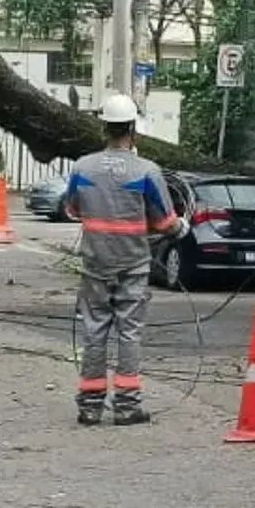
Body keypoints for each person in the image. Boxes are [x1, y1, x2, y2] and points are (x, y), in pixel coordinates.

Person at [63, 96, 179, 426]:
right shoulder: (147, 171)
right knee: (129, 333)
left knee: (94, 331)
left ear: (105, 127)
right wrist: (181, 227)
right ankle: (127, 407)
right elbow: (165, 222)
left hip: (95, 264)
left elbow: (72, 209)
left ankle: (90, 406)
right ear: (132, 129)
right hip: (132, 265)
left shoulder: (83, 167)